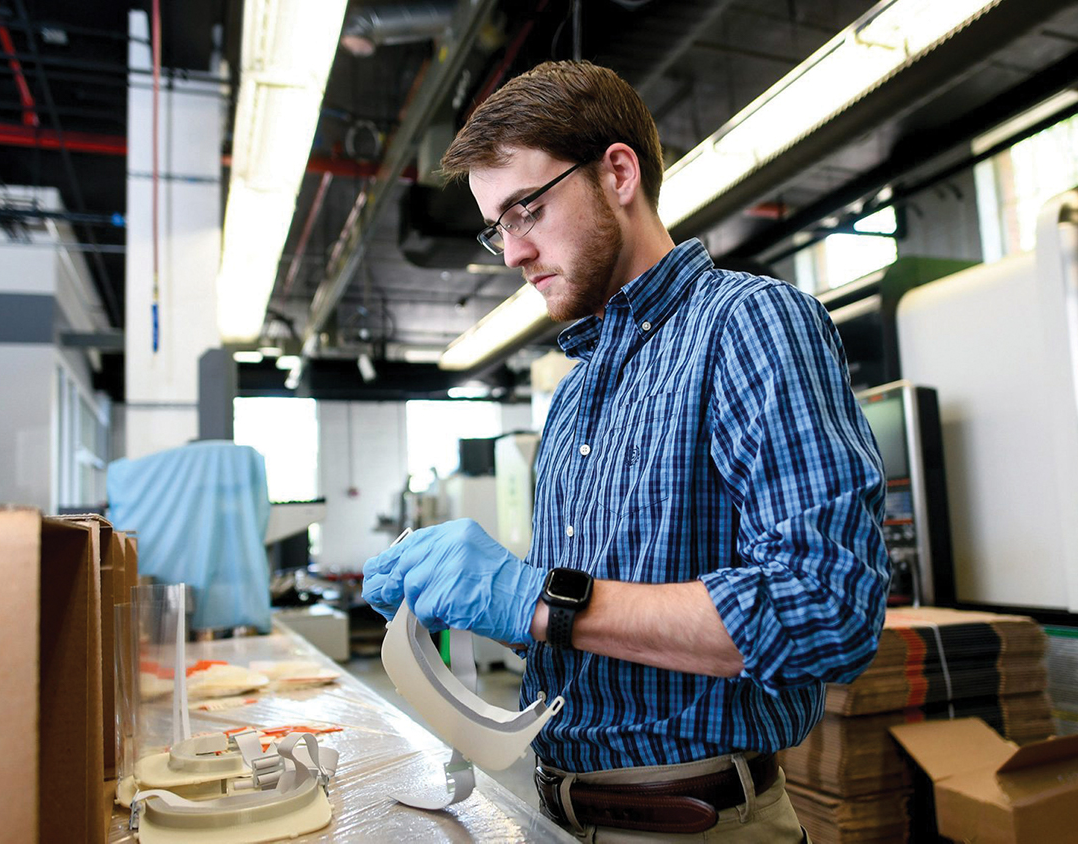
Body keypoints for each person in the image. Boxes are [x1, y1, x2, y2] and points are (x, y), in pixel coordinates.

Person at [362, 61, 889, 843]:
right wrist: (476, 602)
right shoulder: (577, 391)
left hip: (696, 822)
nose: (511, 252)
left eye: (526, 210)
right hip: (559, 810)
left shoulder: (748, 325)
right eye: (495, 226)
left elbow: (827, 608)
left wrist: (534, 596)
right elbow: (595, 629)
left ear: (616, 172)